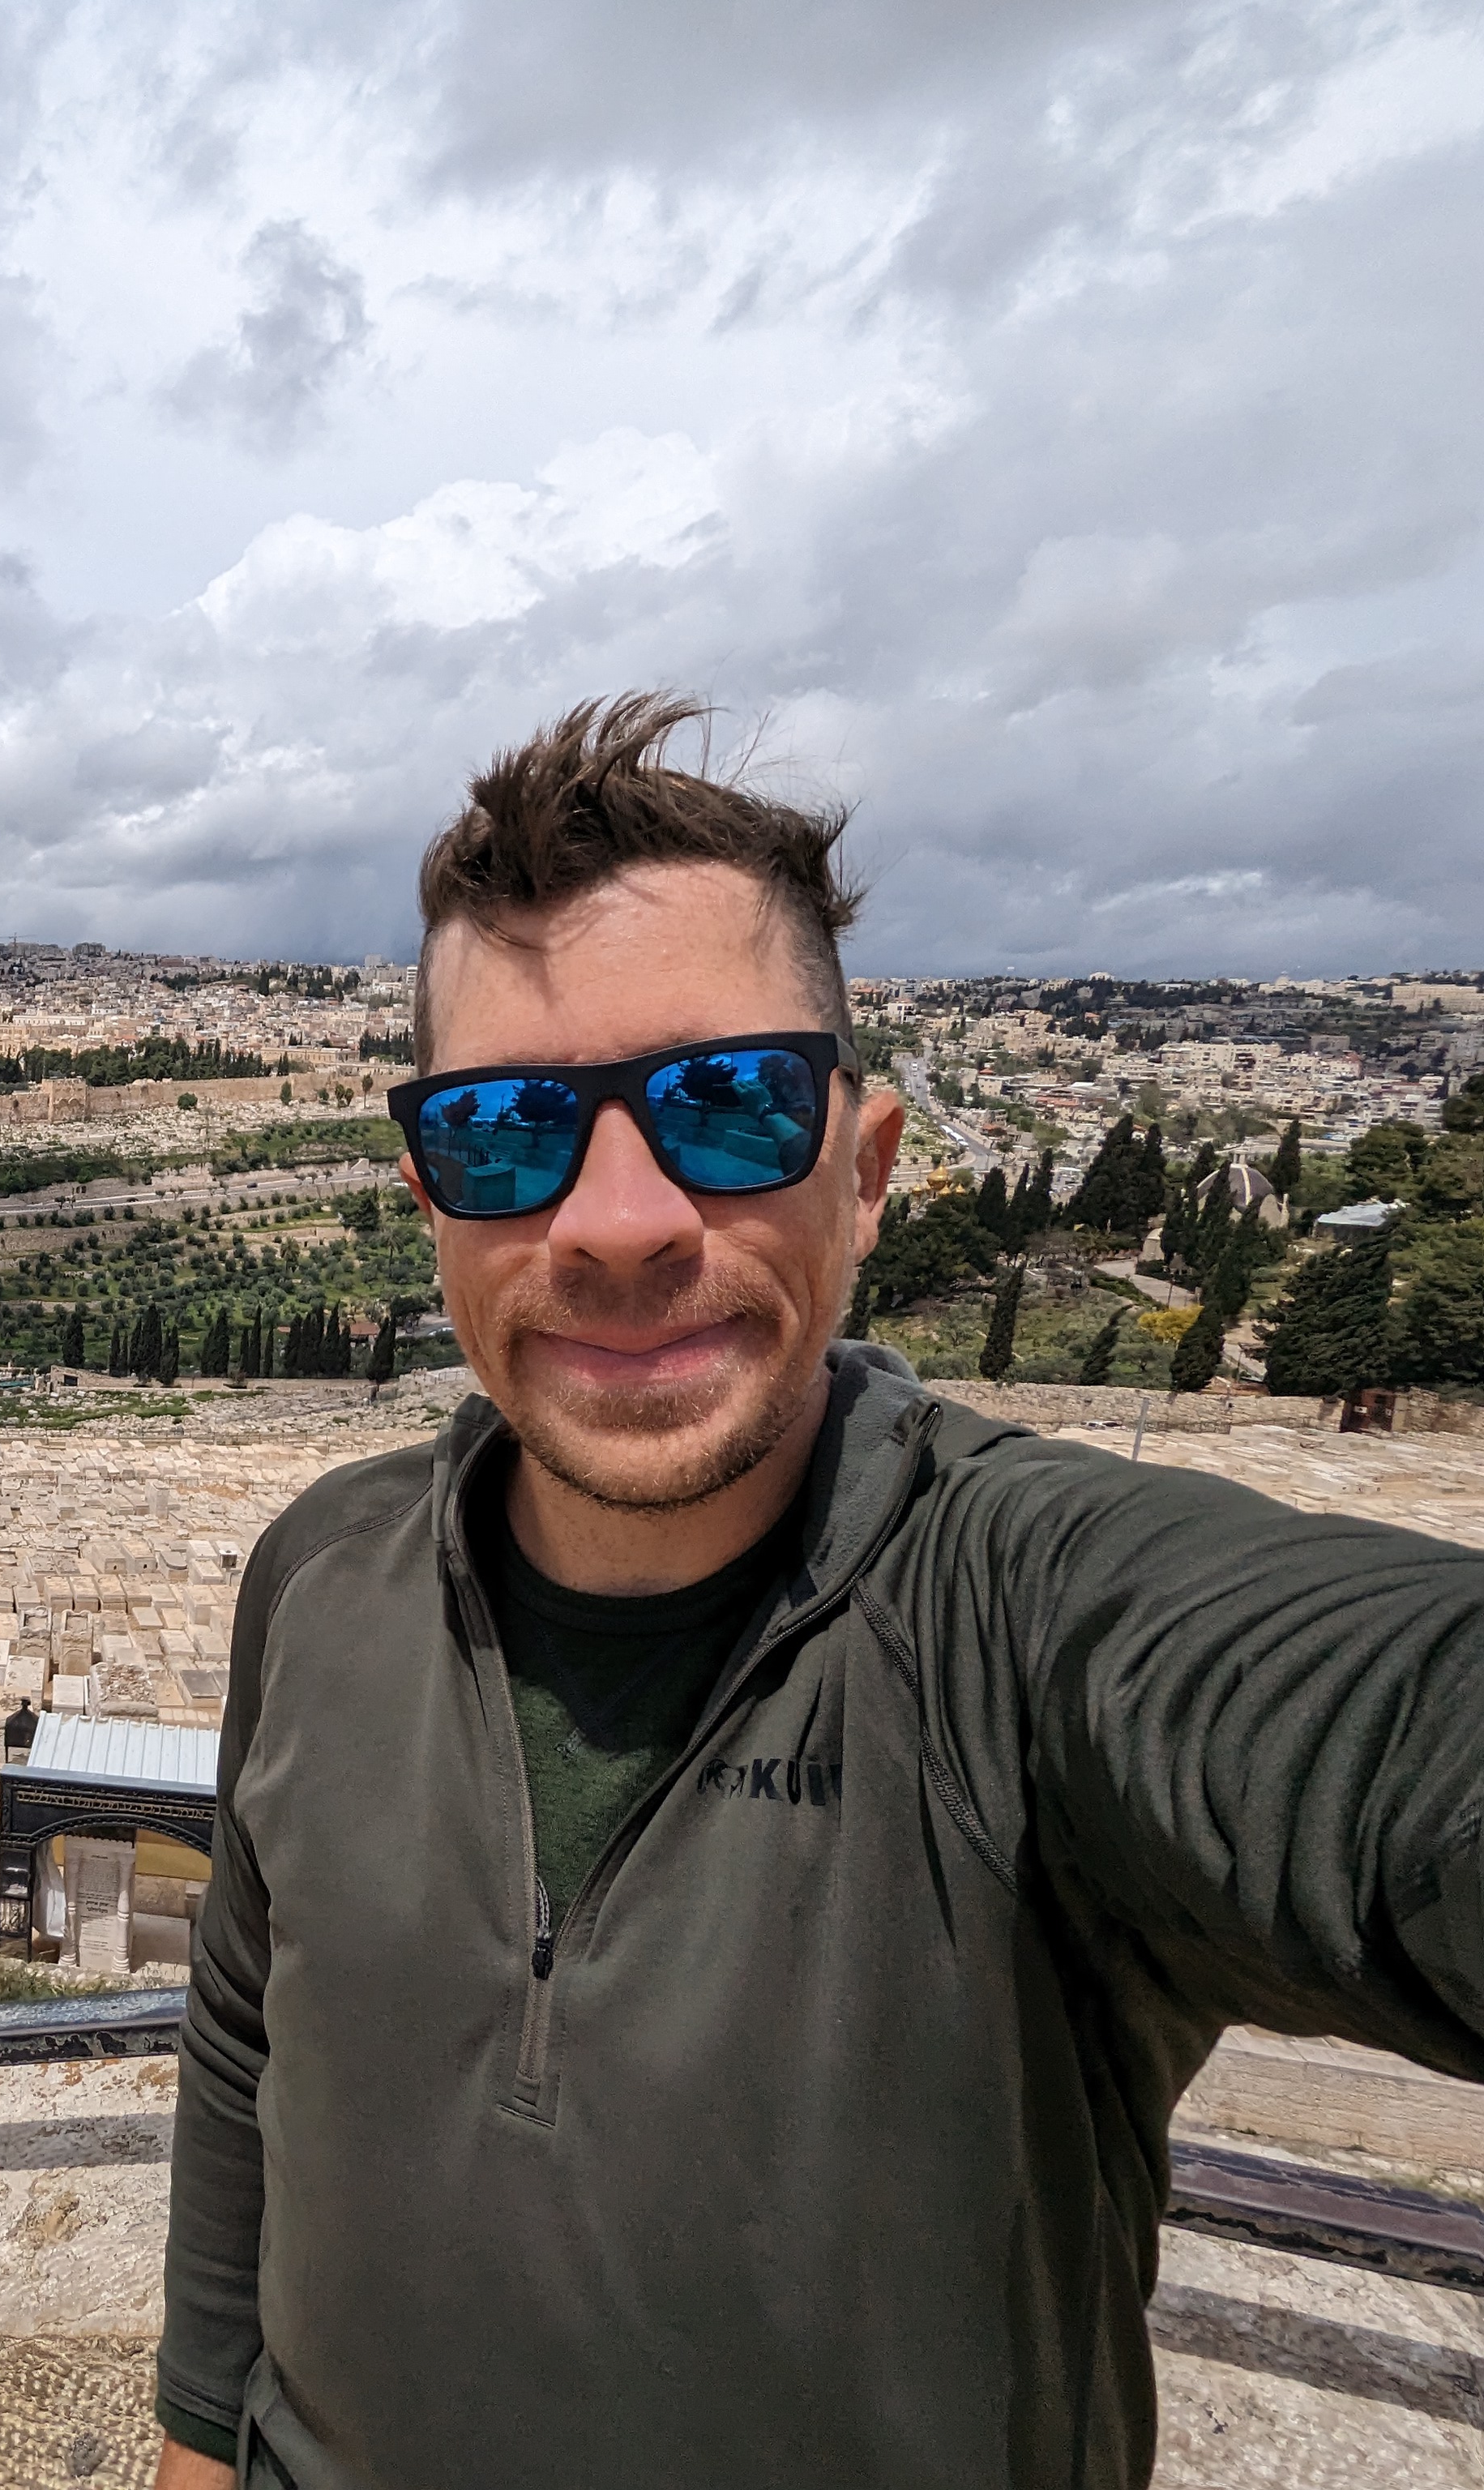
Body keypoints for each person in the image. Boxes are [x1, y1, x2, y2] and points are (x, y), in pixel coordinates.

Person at [155, 695, 1484, 2490]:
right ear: (432, 1200)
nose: (618, 1221)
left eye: (726, 1106)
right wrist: (201, 2440)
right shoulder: (322, 1572)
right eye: (508, 1131)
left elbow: (1391, 1741)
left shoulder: (1018, 1615)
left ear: (864, 1174)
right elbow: (247, 2034)